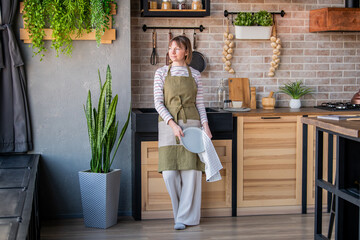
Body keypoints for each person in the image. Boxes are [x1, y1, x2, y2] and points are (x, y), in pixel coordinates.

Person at [154, 35, 212, 230]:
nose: (172, 51)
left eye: (177, 48)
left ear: (186, 52)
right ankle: (180, 214)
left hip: (192, 123)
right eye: (170, 47)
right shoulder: (161, 72)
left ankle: (185, 218)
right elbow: (158, 102)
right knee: (169, 173)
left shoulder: (195, 74)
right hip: (168, 125)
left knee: (191, 173)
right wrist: (172, 124)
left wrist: (206, 127)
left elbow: (200, 103)